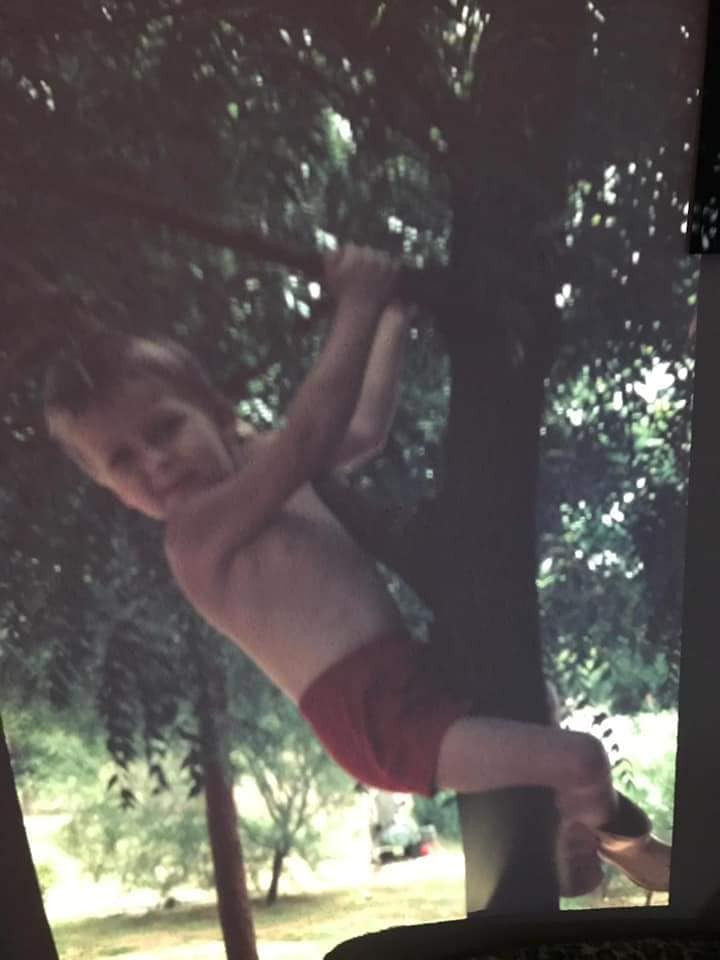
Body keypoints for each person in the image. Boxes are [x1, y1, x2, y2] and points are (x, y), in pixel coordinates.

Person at [43, 245, 670, 897]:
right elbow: (310, 434)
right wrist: (359, 302)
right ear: (112, 489)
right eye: (122, 460)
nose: (154, 462)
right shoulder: (194, 536)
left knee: (536, 701)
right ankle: (626, 845)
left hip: (411, 669)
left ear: (214, 411)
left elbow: (362, 430)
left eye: (165, 428)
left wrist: (392, 317)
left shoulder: (265, 466)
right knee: (580, 757)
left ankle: (571, 830)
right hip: (374, 721)